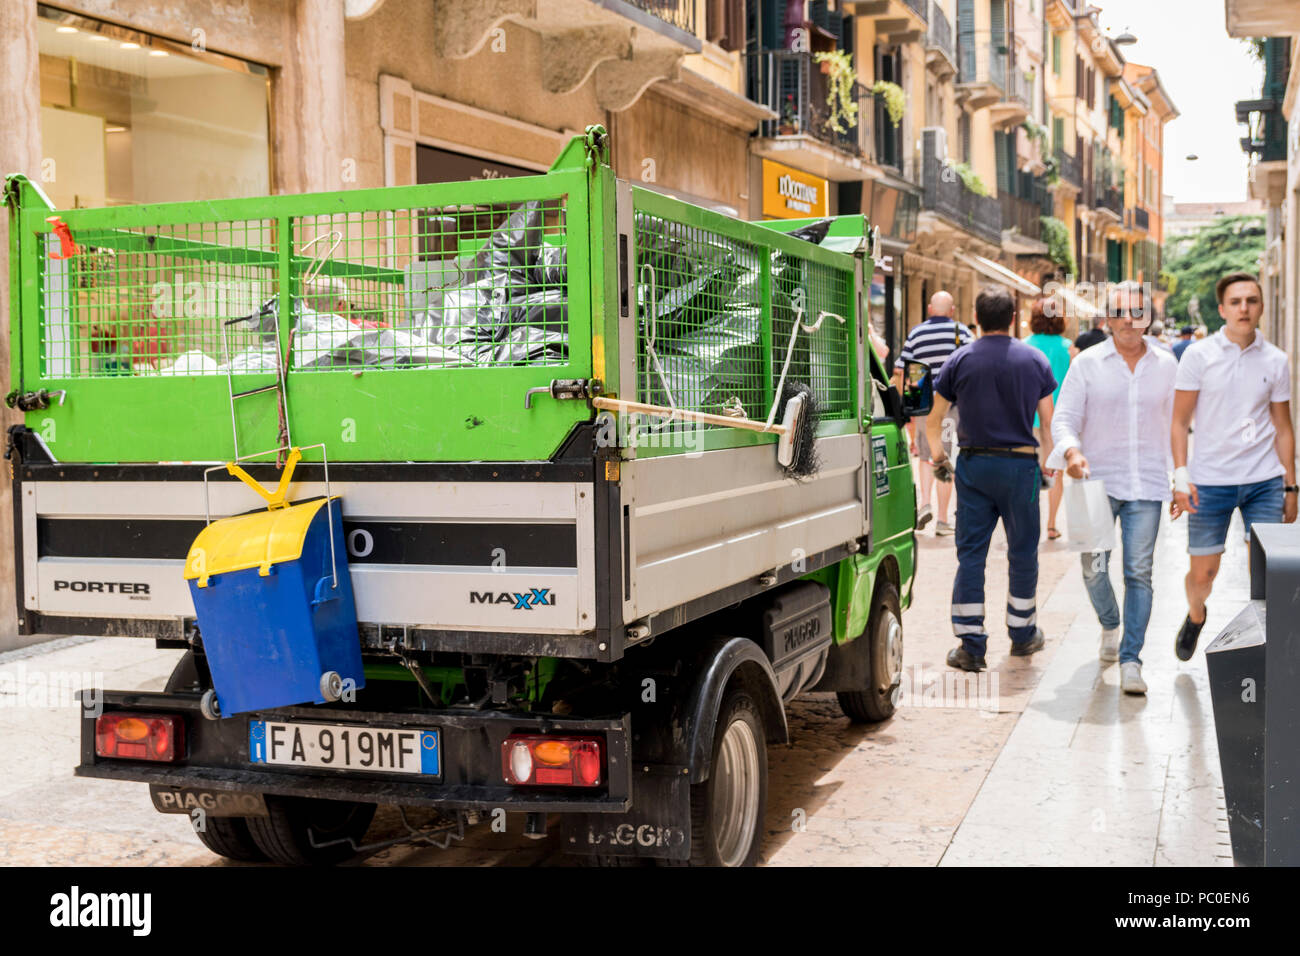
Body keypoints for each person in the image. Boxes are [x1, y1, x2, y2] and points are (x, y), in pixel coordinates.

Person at [1047, 281, 1177, 695]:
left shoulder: (1167, 364)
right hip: (1095, 481)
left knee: (1139, 571)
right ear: (1107, 319)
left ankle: (1131, 658)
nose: (1128, 320)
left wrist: (1183, 476)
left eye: (1137, 312)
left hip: (1148, 483)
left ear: (1148, 318)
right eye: (1120, 312)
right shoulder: (1087, 363)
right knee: (1093, 567)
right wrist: (1071, 453)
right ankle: (1109, 622)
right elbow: (1063, 418)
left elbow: (1179, 425)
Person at [928, 286, 1058, 672]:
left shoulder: (960, 359)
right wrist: (1046, 462)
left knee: (971, 554)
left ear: (976, 317)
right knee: (1022, 552)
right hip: (1020, 468)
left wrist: (939, 457)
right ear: (1014, 318)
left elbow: (934, 420)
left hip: (974, 466)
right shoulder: (1034, 360)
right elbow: (1048, 423)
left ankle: (971, 646)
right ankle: (1022, 634)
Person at [1170, 272, 1297, 660]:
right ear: (1222, 308)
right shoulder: (1198, 356)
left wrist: (1291, 483)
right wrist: (1181, 477)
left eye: (1252, 300)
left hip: (1264, 481)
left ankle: (1266, 653)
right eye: (1237, 301)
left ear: (1260, 306)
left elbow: (1283, 426)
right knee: (1203, 576)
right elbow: (1178, 421)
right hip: (1210, 482)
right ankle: (1196, 614)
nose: (1245, 308)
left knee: (1265, 576)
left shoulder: (1275, 360)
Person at [893, 291, 972, 536]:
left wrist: (905, 408)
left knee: (926, 455)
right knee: (945, 456)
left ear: (929, 309)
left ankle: (925, 503)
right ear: (952, 310)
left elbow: (899, 370)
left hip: (922, 403)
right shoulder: (963, 332)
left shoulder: (916, 333)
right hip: (951, 405)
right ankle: (942, 519)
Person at [1025, 298, 1071, 540]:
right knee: (1056, 474)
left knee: (1027, 474)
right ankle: (1052, 524)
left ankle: (1031, 522)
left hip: (1027, 419)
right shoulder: (1069, 348)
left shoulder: (1024, 346)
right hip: (1059, 421)